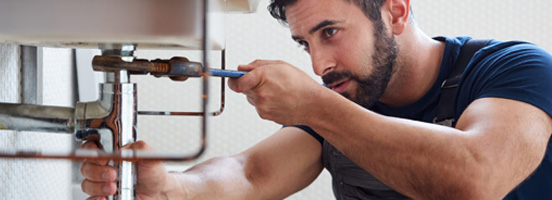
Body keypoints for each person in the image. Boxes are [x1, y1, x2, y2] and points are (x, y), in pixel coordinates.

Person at [80, 0, 552, 199]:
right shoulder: (344, 98)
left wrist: (315, 106)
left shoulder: (514, 70)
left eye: (330, 32)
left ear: (396, 11)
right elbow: (250, 173)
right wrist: (171, 188)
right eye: (306, 43)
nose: (319, 65)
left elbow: (475, 178)